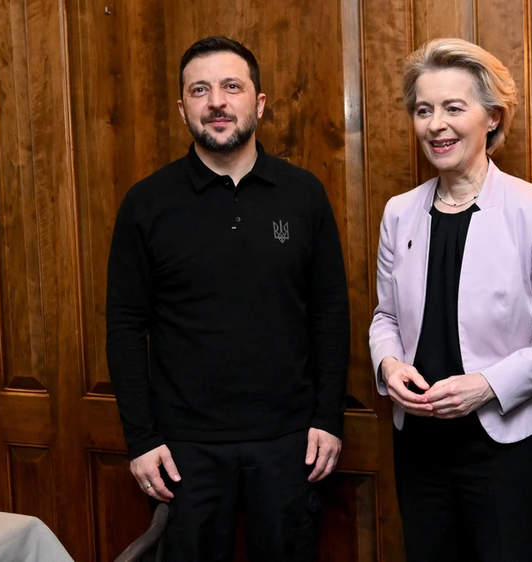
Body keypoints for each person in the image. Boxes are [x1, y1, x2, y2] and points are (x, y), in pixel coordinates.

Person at [106, 36, 349, 562]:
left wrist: (330, 418)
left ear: (258, 103)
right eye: (200, 90)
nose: (216, 101)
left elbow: (330, 313)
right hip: (182, 451)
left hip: (290, 443)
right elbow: (125, 326)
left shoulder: (303, 194)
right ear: (182, 108)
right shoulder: (147, 203)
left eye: (231, 87)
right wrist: (140, 440)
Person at [368, 38, 532, 562]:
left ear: (492, 117)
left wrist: (486, 386)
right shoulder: (398, 212)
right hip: (419, 447)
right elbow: (385, 316)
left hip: (507, 449)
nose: (436, 125)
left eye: (454, 108)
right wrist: (389, 365)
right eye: (423, 110)